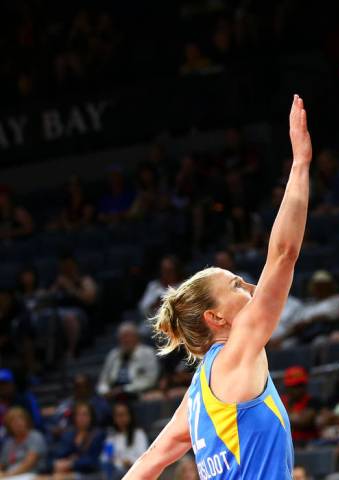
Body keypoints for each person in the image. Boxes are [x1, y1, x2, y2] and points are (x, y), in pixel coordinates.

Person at [123, 95, 312, 479]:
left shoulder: (197, 398)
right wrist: (300, 165)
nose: (250, 286)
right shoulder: (238, 351)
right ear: (216, 317)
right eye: (236, 285)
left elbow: (147, 464)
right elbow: (283, 255)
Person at [96, 322, 160, 400]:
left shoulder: (147, 353)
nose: (125, 340)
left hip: (137, 392)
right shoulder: (113, 354)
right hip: (113, 394)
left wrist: (124, 389)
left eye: (128, 336)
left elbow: (150, 380)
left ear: (136, 337)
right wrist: (105, 391)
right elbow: (103, 381)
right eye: (122, 337)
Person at [53, 401, 106, 477]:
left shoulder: (98, 435)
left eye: (85, 414)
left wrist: (72, 463)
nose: (81, 418)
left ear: (91, 417)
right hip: (70, 471)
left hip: (90, 474)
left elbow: (93, 460)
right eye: (78, 415)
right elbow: (61, 454)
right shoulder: (70, 434)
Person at [280, 366, 322, 448]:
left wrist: (282, 417)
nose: (298, 390)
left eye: (300, 386)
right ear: (287, 387)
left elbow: (303, 421)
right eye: (293, 386)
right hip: (285, 446)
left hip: (307, 446)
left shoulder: (313, 401)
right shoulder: (280, 402)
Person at [0, 407, 47, 476]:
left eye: (20, 420)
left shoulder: (35, 437)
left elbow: (29, 463)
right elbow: (2, 463)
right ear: (9, 426)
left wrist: (7, 475)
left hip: (31, 474)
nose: (18, 424)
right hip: (10, 475)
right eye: (13, 422)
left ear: (26, 421)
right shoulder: (9, 442)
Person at [105, 402, 148, 477]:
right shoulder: (111, 437)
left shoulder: (139, 434)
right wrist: (120, 463)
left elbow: (144, 456)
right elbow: (107, 457)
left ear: (130, 415)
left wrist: (131, 462)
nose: (121, 418)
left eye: (123, 414)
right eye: (118, 415)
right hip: (118, 473)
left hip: (136, 471)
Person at [138, 255, 183, 320]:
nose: (166, 274)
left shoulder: (183, 287)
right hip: (150, 323)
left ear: (177, 271)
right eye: (164, 270)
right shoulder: (153, 285)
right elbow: (142, 309)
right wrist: (154, 304)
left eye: (170, 270)